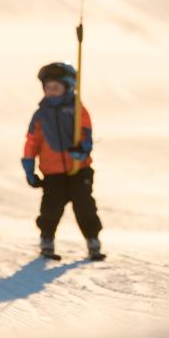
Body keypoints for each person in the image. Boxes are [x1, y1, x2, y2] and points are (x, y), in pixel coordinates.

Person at [21, 61, 105, 261]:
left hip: (79, 169)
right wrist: (28, 165)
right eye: (48, 87)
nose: (51, 91)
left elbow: (86, 132)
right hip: (52, 173)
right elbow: (32, 141)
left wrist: (83, 149)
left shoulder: (77, 109)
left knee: (85, 207)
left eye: (56, 87)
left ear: (68, 87)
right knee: (50, 209)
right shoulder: (41, 115)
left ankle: (92, 240)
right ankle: (47, 240)